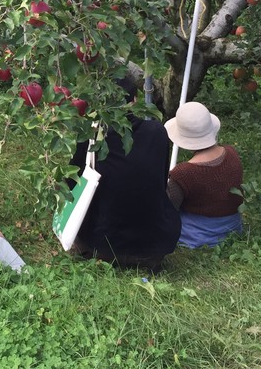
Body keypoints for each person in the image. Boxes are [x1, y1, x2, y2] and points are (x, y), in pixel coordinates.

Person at [69, 79, 182, 271]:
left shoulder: (92, 136)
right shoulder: (157, 132)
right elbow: (161, 180)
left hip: (102, 245)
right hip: (154, 247)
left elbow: (72, 182)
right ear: (135, 100)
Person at [165, 102, 243, 247]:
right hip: (233, 229)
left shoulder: (182, 174)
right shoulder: (232, 154)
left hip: (197, 237)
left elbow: (168, 209)